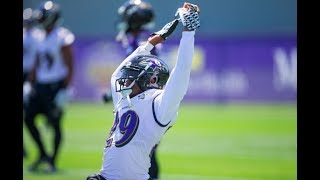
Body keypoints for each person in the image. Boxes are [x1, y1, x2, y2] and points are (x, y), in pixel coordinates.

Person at [87, 2, 200, 180]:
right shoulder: (124, 98)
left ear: (151, 80)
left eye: (132, 76)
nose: (126, 80)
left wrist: (189, 31)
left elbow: (182, 72)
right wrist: (151, 42)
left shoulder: (159, 106)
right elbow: (118, 72)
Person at [23, 0, 75, 173]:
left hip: (54, 85)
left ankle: (52, 160)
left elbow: (69, 64)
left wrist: (65, 89)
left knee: (54, 124)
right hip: (40, 85)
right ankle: (43, 154)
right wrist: (29, 84)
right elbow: (36, 63)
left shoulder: (62, 36)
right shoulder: (39, 36)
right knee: (28, 118)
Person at [23, 7, 45, 158]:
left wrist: (32, 78)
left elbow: (38, 58)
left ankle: (43, 153)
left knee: (32, 114)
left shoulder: (39, 36)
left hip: (34, 77)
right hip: (27, 75)